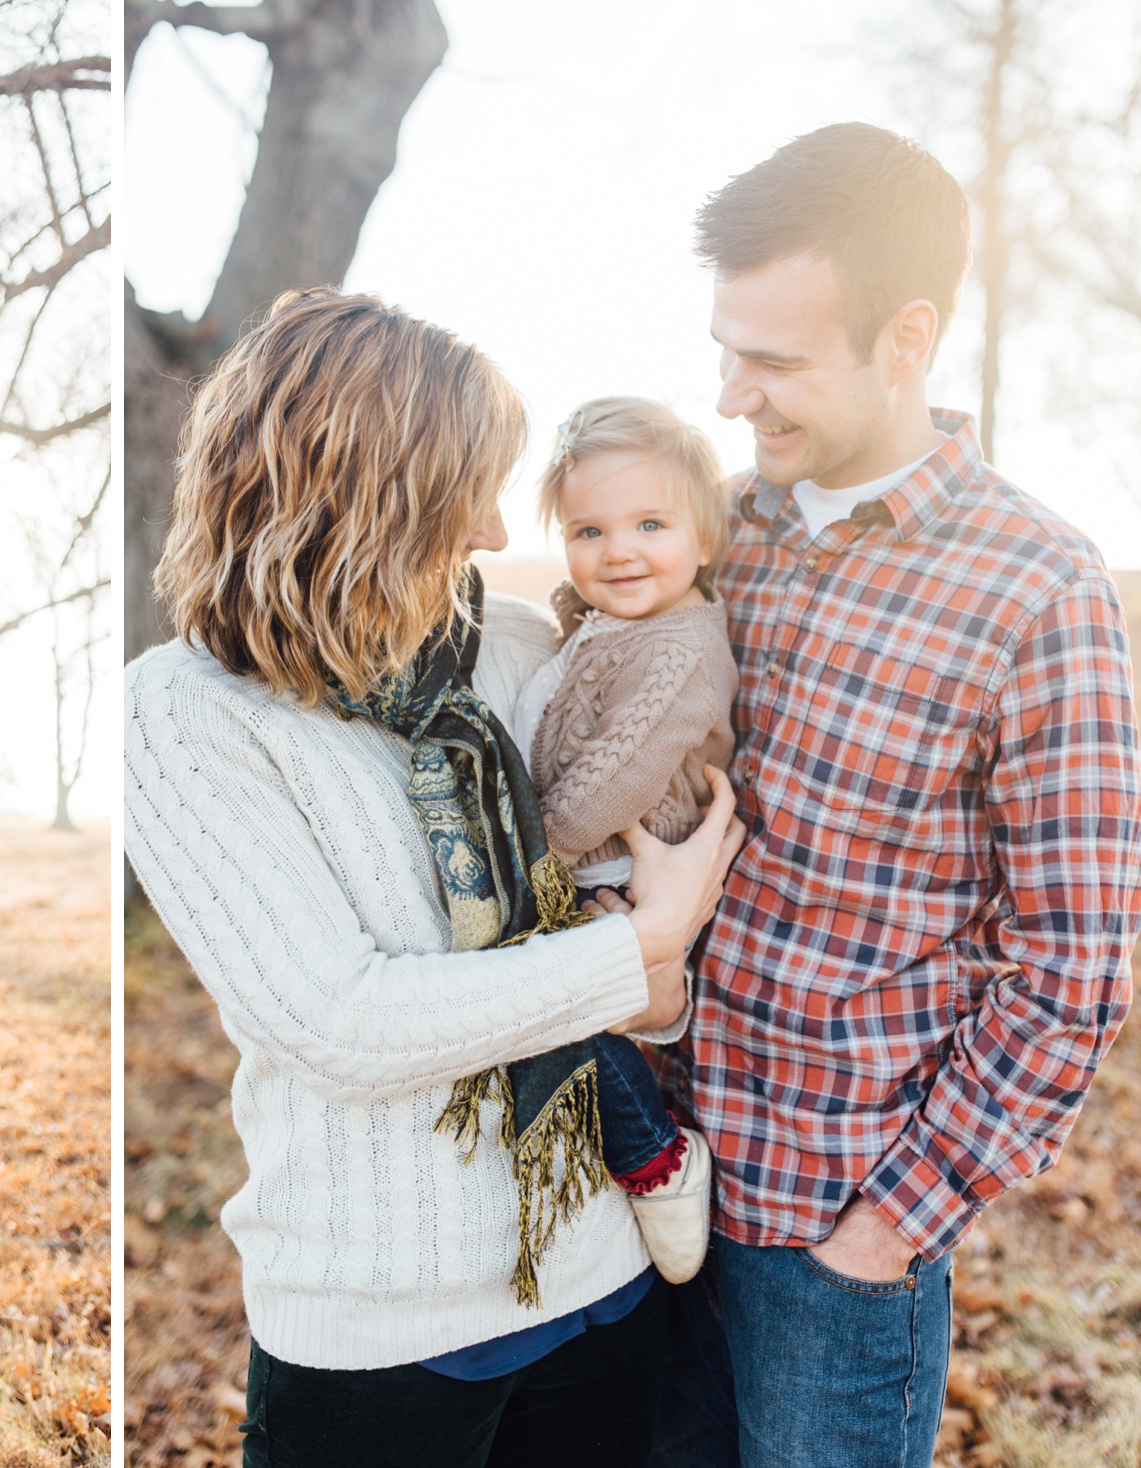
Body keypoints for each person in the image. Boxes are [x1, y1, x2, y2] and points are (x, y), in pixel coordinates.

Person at [125, 287, 743, 1467]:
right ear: (366, 495)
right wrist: (636, 951)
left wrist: (656, 967)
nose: (487, 532)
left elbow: (613, 896)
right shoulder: (185, 714)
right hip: (384, 1324)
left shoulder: (510, 645)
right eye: (465, 489)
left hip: (603, 1273)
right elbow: (337, 1021)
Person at [650, 122, 1141, 1468]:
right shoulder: (706, 536)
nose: (733, 394)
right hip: (646, 1211)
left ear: (906, 337)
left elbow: (1074, 970)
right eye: (724, 347)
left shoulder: (1036, 588)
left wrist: (885, 1231)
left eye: (775, 360)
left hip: (835, 1250)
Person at [512, 396, 740, 1282]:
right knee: (544, 1006)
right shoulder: (612, 624)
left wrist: (533, 858)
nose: (619, 551)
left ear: (705, 539)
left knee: (553, 1005)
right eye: (589, 529)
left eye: (651, 523)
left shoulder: (681, 645)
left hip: (612, 857)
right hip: (591, 861)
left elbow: (618, 776)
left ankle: (656, 1157)